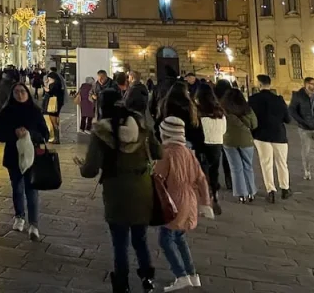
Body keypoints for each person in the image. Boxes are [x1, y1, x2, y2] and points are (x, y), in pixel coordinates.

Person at [77, 89, 161, 293]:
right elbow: (159, 152)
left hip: (116, 192)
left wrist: (82, 165)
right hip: (142, 188)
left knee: (120, 241)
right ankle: (147, 279)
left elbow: (90, 170)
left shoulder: (101, 132)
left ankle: (122, 283)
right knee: (140, 238)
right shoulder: (140, 125)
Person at [153, 117, 214, 291]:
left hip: (174, 201)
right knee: (179, 238)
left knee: (165, 240)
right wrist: (205, 203)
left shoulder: (167, 153)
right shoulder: (188, 152)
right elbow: (201, 179)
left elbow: (157, 178)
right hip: (190, 200)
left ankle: (180, 275)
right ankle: (192, 275)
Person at [0, 81, 49, 241]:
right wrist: (14, 133)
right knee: (17, 187)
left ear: (27, 93)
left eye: (22, 92)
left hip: (32, 157)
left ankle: (34, 224)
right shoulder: (7, 111)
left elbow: (44, 134)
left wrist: (29, 134)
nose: (19, 94)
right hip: (13, 155)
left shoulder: (35, 111)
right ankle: (19, 216)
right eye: (16, 92)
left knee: (31, 190)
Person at [249, 74, 292, 201]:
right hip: (279, 134)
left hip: (261, 135)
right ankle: (285, 188)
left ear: (259, 84)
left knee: (266, 163)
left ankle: (271, 190)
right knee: (282, 162)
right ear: (269, 84)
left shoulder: (253, 100)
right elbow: (288, 119)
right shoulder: (279, 99)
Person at [221, 88, 258, 203]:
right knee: (248, 166)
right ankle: (251, 192)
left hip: (229, 141)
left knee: (236, 168)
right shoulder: (247, 109)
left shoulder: (223, 110)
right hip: (246, 140)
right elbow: (254, 124)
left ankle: (241, 194)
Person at [195, 84, 226, 213]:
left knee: (202, 173)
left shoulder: (199, 112)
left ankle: (205, 199)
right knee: (214, 171)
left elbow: (196, 130)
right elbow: (224, 130)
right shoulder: (220, 112)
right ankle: (214, 193)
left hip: (204, 144)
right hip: (217, 144)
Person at [156, 81, 204, 150]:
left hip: (167, 140)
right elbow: (195, 127)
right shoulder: (190, 105)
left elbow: (158, 122)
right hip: (186, 141)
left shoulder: (164, 104)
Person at [42, 67, 65, 143]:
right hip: (56, 105)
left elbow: (49, 91)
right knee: (55, 122)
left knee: (53, 122)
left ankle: (56, 138)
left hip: (52, 105)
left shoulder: (54, 84)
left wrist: (45, 87)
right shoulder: (58, 84)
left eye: (49, 78)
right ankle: (56, 138)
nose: (49, 80)